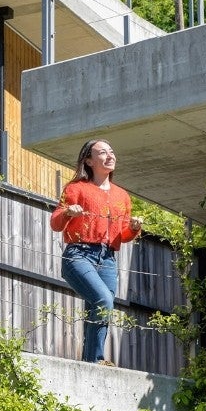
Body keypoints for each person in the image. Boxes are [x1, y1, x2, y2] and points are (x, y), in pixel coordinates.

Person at [50, 139, 143, 364]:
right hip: (79, 254)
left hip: (108, 258)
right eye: (102, 152)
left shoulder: (122, 196)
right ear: (89, 161)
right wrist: (68, 213)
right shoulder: (75, 189)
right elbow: (55, 223)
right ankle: (96, 360)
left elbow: (122, 235)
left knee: (100, 307)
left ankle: (91, 362)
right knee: (103, 300)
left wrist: (133, 229)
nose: (110, 155)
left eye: (111, 151)